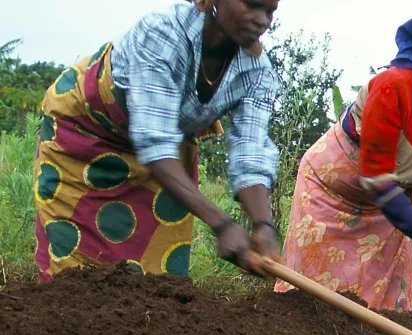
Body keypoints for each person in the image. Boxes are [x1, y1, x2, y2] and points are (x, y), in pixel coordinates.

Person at [33, 0, 281, 281]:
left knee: (158, 279)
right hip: (86, 137)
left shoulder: (258, 73)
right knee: (78, 273)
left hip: (164, 160)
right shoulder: (163, 32)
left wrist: (264, 226)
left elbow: (250, 152)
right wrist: (223, 225)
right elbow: (155, 144)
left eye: (270, 11)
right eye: (252, 5)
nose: (262, 20)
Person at [274, 11, 412, 311]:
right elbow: (376, 178)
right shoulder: (392, 87)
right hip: (330, 195)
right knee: (311, 303)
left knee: (383, 309)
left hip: (390, 210)